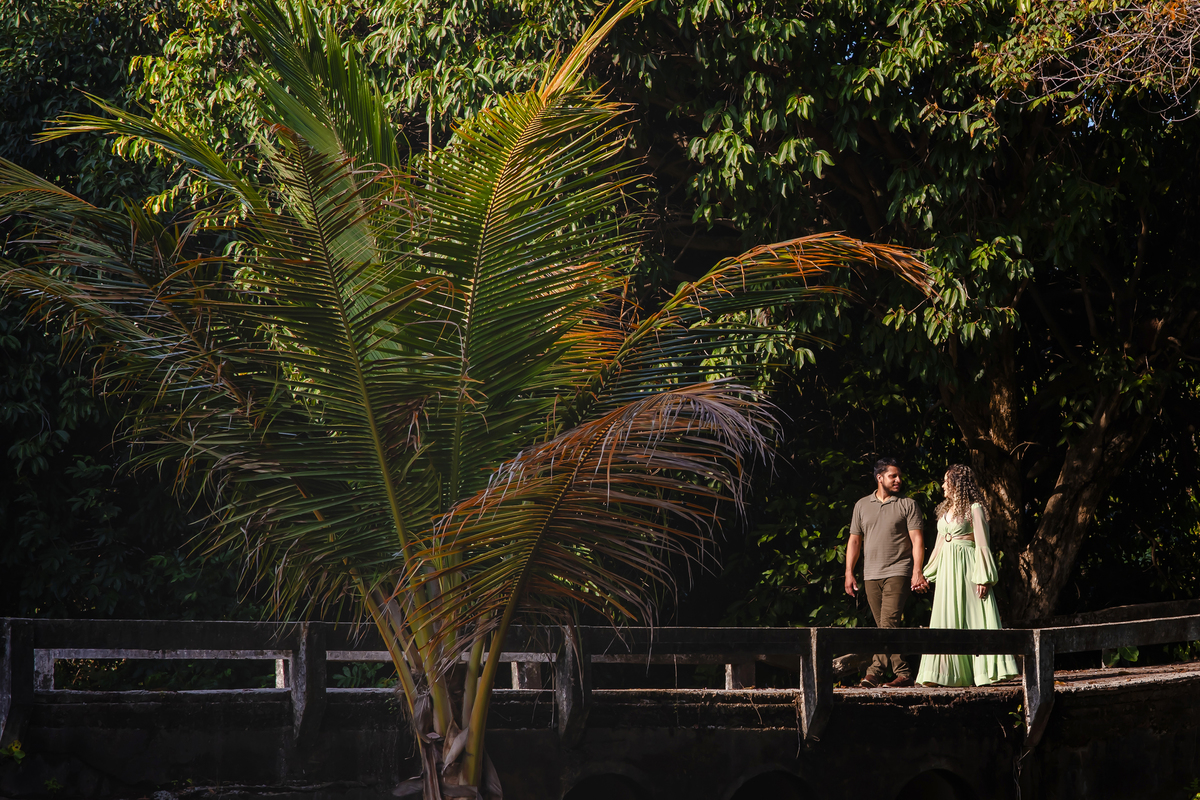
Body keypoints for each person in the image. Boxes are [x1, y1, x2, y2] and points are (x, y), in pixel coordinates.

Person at [916, 464, 1019, 687]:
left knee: (976, 615)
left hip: (968, 568)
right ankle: (944, 675)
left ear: (957, 484)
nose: (942, 485)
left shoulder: (975, 509)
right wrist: (926, 575)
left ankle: (987, 672)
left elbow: (983, 544)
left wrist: (982, 576)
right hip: (947, 570)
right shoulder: (944, 512)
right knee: (946, 616)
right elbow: (939, 546)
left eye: (946, 481)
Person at [845, 458, 928, 688]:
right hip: (870, 574)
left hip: (898, 571)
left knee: (888, 623)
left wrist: (917, 571)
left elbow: (917, 541)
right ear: (879, 477)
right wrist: (848, 573)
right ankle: (903, 673)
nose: (898, 480)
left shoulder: (908, 505)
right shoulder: (862, 505)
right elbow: (854, 541)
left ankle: (874, 673)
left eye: (899, 476)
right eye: (893, 476)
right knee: (885, 626)